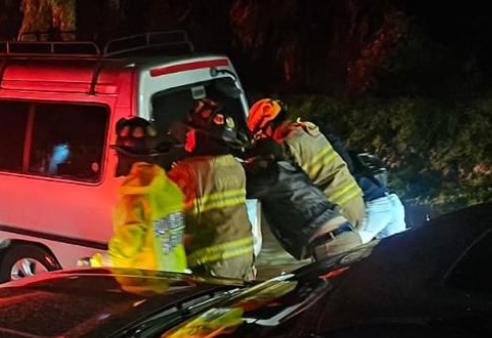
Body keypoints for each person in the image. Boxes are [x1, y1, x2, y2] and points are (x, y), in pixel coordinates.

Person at [167, 99, 255, 281]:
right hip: (245, 258)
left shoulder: (186, 171)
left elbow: (166, 218)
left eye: (190, 131)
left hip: (212, 265)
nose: (186, 136)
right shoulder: (235, 165)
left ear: (202, 136)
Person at [247, 98, 366, 229]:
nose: (265, 138)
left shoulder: (287, 145)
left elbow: (282, 185)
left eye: (262, 133)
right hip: (355, 199)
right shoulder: (307, 129)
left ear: (269, 125)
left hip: (336, 209)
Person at [87, 117, 187, 273]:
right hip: (176, 277)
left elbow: (124, 252)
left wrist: (95, 262)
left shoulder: (135, 198)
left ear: (125, 157)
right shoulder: (169, 189)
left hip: (148, 282)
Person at [243, 133, 362, 263]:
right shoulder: (287, 171)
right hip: (338, 237)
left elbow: (240, 186)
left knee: (337, 280)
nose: (250, 164)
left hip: (334, 242)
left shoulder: (272, 179)